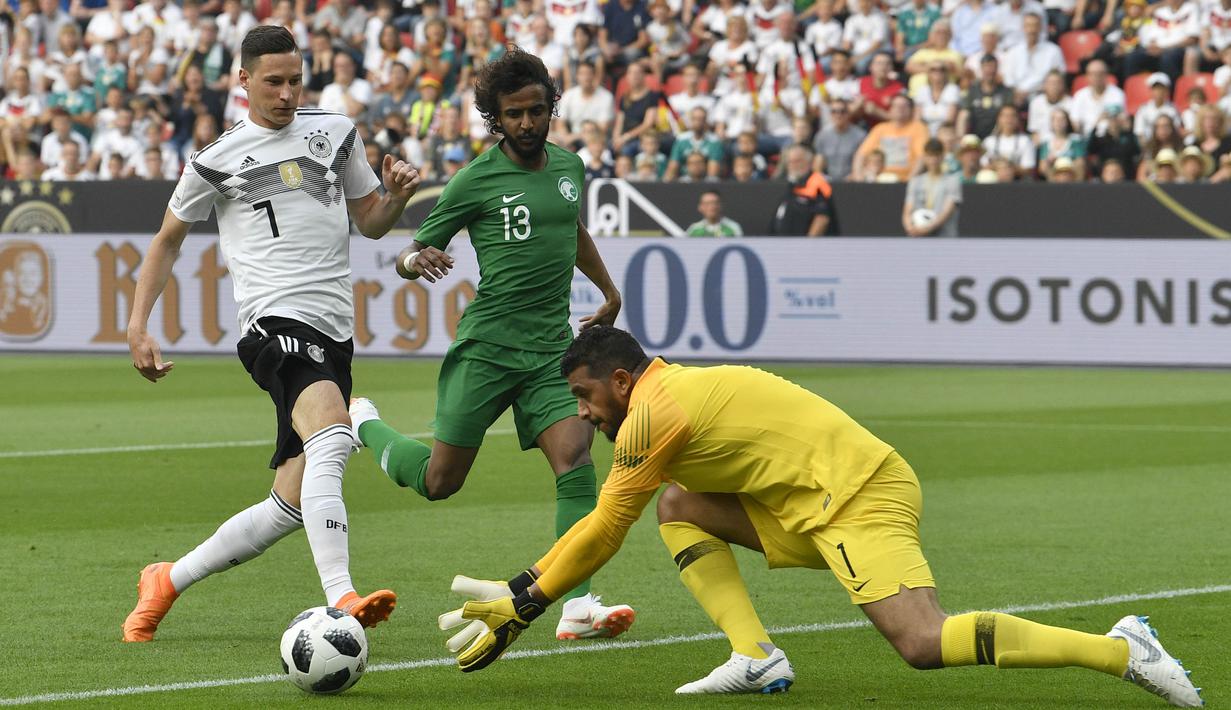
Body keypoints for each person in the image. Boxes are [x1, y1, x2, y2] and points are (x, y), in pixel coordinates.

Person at [435, 325, 1206, 709]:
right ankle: (756, 655)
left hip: (858, 494)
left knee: (921, 642)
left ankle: (1120, 649)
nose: (581, 412)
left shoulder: (650, 416)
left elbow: (603, 530)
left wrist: (524, 600)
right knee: (678, 506)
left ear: (622, 380)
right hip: (810, 504)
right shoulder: (659, 402)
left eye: (585, 396)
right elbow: (617, 517)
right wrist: (524, 586)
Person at [120, 25, 420, 643]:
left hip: (333, 331)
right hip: (273, 324)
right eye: (273, 82)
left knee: (288, 504)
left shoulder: (335, 134)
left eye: (295, 80)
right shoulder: (216, 159)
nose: (286, 94)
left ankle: (166, 580)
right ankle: (342, 598)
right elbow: (166, 240)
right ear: (244, 80)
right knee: (335, 435)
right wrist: (137, 325)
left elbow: (371, 223)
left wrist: (393, 198)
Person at [346, 48, 636, 642]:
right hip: (487, 348)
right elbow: (408, 250)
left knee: (577, 461)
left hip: (551, 352)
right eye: (514, 115)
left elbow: (571, 227)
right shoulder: (475, 179)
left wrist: (607, 288)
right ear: (494, 118)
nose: (527, 124)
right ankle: (365, 425)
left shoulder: (569, 167)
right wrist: (411, 257)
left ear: (551, 107)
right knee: (439, 482)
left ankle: (577, 608)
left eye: (536, 111)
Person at [902, 138, 960, 236]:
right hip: (918, 236)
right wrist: (909, 227)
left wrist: (927, 228)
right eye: (930, 156)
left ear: (942, 156)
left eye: (936, 155)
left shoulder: (952, 181)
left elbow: (947, 211)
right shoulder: (915, 181)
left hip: (944, 237)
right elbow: (908, 209)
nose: (933, 160)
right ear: (924, 157)